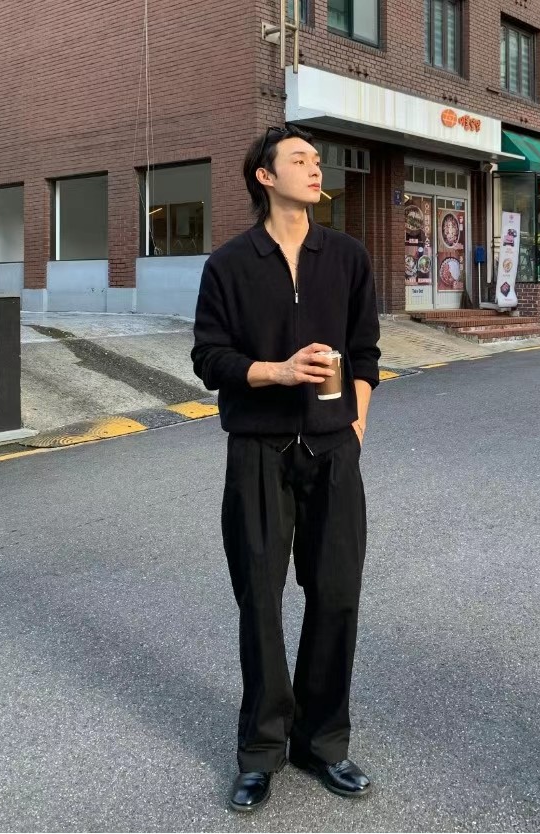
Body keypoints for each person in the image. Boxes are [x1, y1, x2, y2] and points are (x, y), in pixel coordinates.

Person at [191, 124, 380, 812]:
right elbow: (208, 358)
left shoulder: (347, 256)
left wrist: (355, 425)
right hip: (258, 451)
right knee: (260, 601)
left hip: (333, 452)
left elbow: (365, 351)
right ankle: (262, 750)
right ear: (264, 177)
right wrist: (274, 371)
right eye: (299, 159)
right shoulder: (229, 265)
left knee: (337, 595)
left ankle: (322, 743)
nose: (314, 167)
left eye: (316, 159)